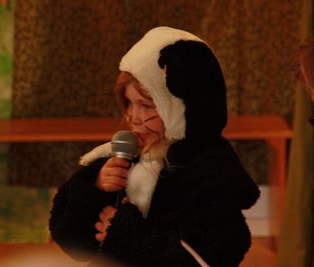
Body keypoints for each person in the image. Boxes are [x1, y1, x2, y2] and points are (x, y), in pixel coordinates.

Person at [49, 26, 260, 267]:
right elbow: (72, 242)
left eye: (147, 106)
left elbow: (209, 255)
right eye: (129, 102)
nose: (133, 116)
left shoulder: (210, 174)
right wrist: (95, 188)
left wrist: (123, 232)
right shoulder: (124, 155)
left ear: (182, 108)